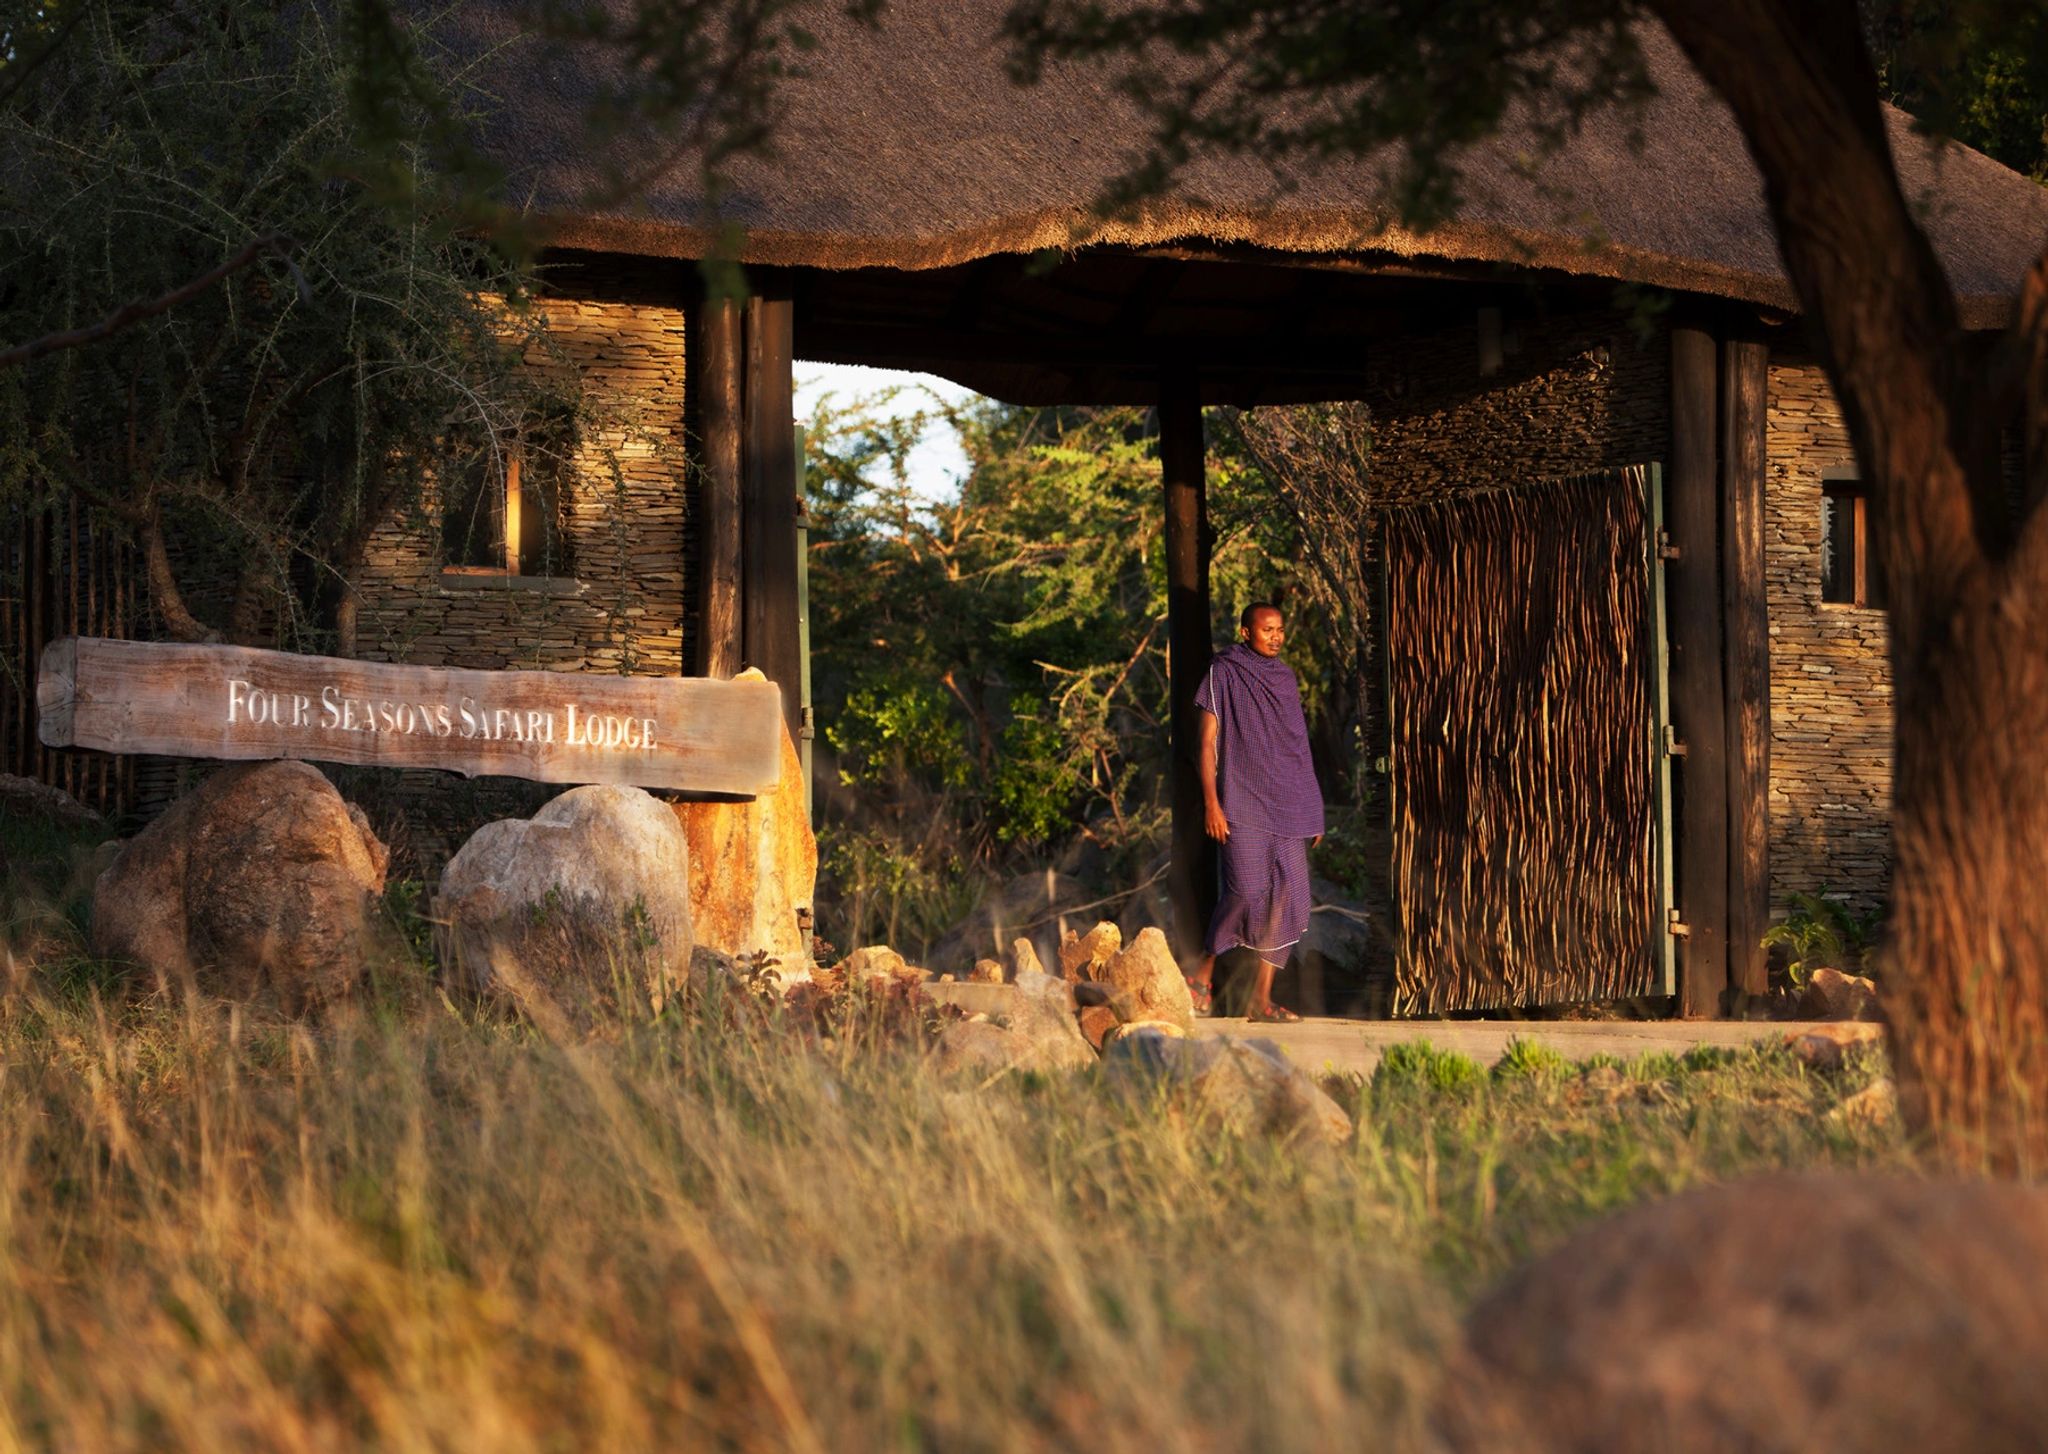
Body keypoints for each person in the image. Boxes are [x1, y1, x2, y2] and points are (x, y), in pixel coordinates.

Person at [1183, 602, 1326, 1022]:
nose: (1276, 636)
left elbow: (1297, 745)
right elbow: (1206, 743)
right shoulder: (1224, 671)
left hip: (1289, 804)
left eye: (1280, 629)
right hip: (1241, 800)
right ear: (1246, 632)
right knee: (1245, 891)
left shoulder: (1285, 678)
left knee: (1291, 900)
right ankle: (1204, 971)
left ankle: (1260, 1000)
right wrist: (1212, 802)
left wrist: (1313, 807)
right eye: (1267, 630)